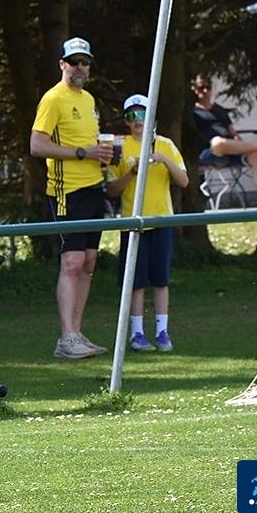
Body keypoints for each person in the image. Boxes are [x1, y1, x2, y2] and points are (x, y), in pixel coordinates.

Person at [30, 37, 113, 360]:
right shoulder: (53, 98)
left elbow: (91, 145)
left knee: (89, 262)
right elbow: (37, 146)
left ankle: (76, 333)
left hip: (94, 188)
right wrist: (82, 153)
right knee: (72, 261)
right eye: (74, 62)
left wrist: (104, 156)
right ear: (62, 64)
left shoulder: (88, 99)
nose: (80, 67)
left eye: (85, 62)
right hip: (67, 191)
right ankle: (66, 339)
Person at [106, 94, 189, 352]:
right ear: (126, 121)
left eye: (142, 113)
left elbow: (184, 181)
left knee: (161, 281)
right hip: (133, 224)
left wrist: (164, 159)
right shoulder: (120, 147)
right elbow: (111, 190)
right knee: (136, 282)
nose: (137, 120)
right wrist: (131, 173)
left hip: (161, 221)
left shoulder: (165, 144)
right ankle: (137, 334)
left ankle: (162, 332)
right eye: (131, 115)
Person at [191, 73, 257, 207]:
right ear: (194, 89)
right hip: (210, 153)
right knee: (218, 142)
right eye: (201, 87)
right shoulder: (194, 112)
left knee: (256, 156)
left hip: (232, 150)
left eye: (208, 87)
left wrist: (238, 140)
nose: (205, 91)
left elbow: (233, 132)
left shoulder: (219, 109)